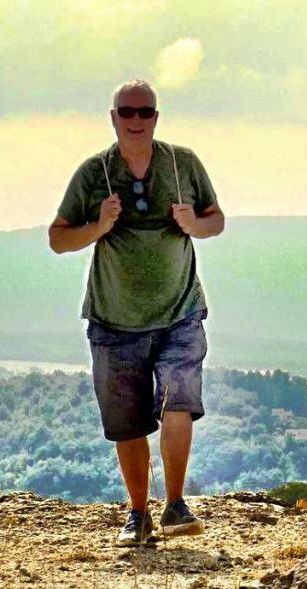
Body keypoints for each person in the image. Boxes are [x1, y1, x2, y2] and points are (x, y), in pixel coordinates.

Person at [49, 79, 225, 546]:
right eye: (127, 111)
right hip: (113, 320)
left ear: (156, 117)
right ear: (113, 116)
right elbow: (58, 238)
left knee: (178, 402)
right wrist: (99, 225)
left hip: (180, 312)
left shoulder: (182, 163)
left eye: (145, 112)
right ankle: (138, 513)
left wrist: (195, 224)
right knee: (126, 422)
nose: (136, 119)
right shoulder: (94, 173)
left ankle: (176, 505)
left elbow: (216, 219)